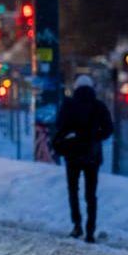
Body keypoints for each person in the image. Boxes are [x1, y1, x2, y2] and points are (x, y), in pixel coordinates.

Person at [53, 74, 114, 243]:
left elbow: (59, 126)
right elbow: (109, 129)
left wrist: (72, 137)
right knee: (91, 194)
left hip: (72, 155)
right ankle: (90, 231)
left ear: (76, 88)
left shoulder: (69, 105)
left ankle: (77, 225)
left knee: (73, 191)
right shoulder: (98, 106)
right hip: (92, 155)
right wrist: (94, 137)